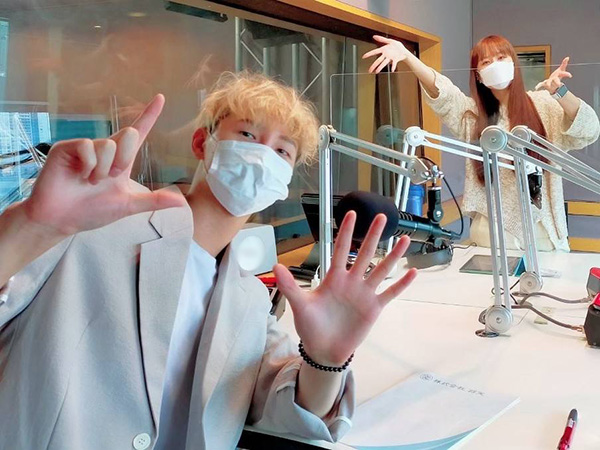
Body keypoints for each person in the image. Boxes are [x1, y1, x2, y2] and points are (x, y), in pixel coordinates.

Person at [0, 72, 417, 450]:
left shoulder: (251, 300)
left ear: (286, 179)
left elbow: (295, 411)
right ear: (203, 143)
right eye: (248, 134)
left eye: (282, 151)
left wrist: (326, 359)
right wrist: (33, 226)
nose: (263, 156)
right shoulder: (95, 223)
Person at [363, 35, 600, 251]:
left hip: (542, 231)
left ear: (513, 63)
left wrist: (560, 92)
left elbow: (589, 130)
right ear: (478, 74)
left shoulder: (544, 104)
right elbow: (443, 94)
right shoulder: (472, 114)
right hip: (489, 230)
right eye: (486, 62)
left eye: (501, 58)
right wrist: (408, 56)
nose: (495, 65)